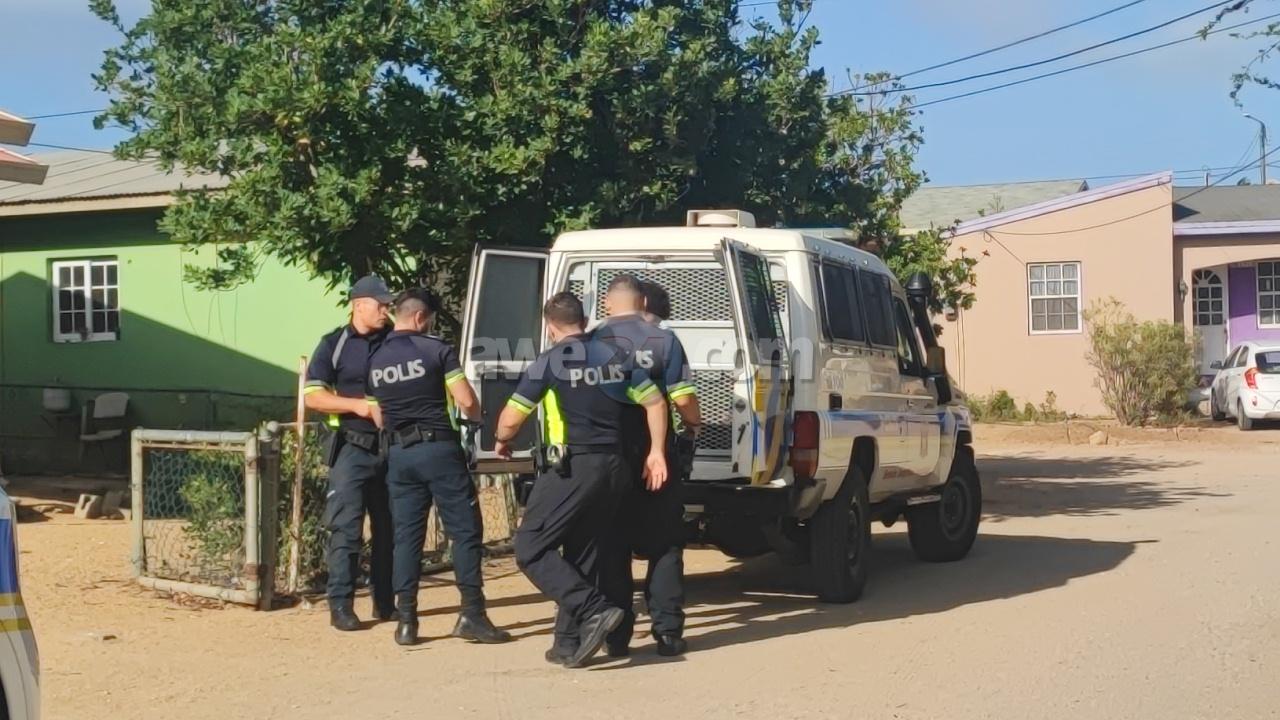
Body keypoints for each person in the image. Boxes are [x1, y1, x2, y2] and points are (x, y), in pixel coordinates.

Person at [495, 292, 670, 669]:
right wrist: (656, 451)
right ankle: (567, 641)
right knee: (583, 550)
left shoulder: (550, 360)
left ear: (550, 327)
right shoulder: (615, 355)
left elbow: (510, 419)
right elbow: (655, 402)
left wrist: (502, 440)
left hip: (574, 467)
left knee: (530, 547)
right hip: (616, 468)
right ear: (585, 321)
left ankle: (594, 609)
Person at [366, 288, 511, 647]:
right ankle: (472, 614)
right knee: (465, 531)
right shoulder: (436, 350)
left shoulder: (376, 358)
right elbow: (465, 400)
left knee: (407, 538)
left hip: (399, 455)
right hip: (439, 451)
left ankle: (407, 621)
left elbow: (378, 413)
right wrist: (476, 419)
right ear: (420, 317)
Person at [593, 275, 702, 658]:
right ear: (642, 303)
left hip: (606, 456)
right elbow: (683, 398)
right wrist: (693, 423)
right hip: (656, 457)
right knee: (665, 542)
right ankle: (667, 633)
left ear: (607, 304)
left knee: (612, 544)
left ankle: (616, 636)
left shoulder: (590, 342)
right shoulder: (665, 341)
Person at [303, 275, 396, 631]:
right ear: (358, 305)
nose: (386, 310)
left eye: (388, 305)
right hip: (351, 449)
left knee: (391, 528)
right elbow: (313, 396)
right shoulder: (334, 344)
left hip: (393, 447)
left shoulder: (396, 341)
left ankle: (385, 603)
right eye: (380, 304)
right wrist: (357, 406)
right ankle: (341, 606)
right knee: (346, 529)